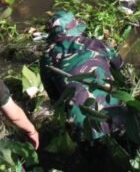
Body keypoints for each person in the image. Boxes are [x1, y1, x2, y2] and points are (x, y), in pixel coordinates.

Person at [40, 11, 129, 143]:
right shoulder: (98, 44)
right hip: (118, 116)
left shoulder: (47, 59)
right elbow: (120, 68)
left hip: (85, 129)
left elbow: (55, 99)